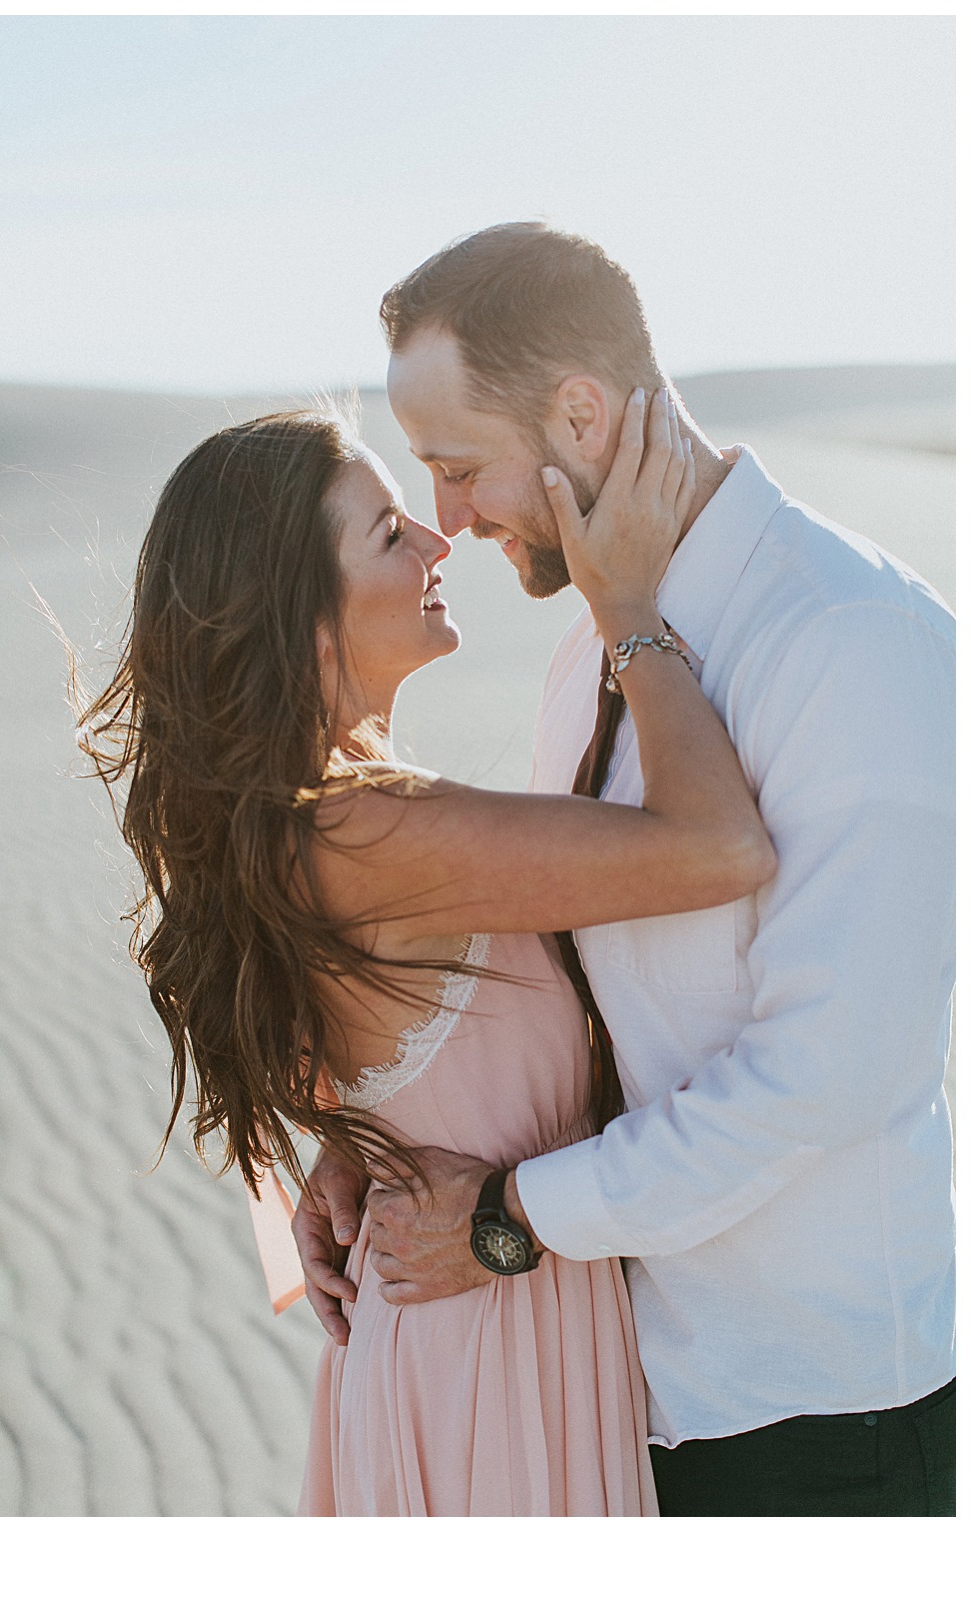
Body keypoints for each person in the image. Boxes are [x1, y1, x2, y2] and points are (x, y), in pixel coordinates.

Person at [294, 223, 955, 1517]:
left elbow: (827, 1073)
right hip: (626, 1393)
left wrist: (510, 1217)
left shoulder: (849, 638)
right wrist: (373, 1139)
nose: (448, 520)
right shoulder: (599, 644)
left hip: (815, 1413)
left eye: (459, 467)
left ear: (582, 415)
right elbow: (583, 1001)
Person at [85, 378, 775, 1514]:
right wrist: (628, 612)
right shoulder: (366, 827)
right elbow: (718, 849)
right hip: (490, 1371)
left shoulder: (307, 823)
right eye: (383, 530)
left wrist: (365, 1143)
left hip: (467, 1342)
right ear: (302, 616)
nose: (432, 536)